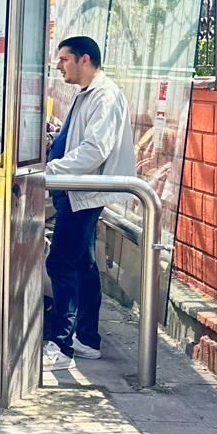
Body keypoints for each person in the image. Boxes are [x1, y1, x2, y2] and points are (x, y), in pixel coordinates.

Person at [42, 35, 134, 371]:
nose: (59, 66)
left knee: (61, 264)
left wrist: (50, 170)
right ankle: (86, 338)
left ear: (85, 59)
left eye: (64, 59)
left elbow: (95, 150)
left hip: (83, 191)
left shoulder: (105, 96)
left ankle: (61, 345)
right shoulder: (86, 94)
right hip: (70, 190)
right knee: (82, 265)